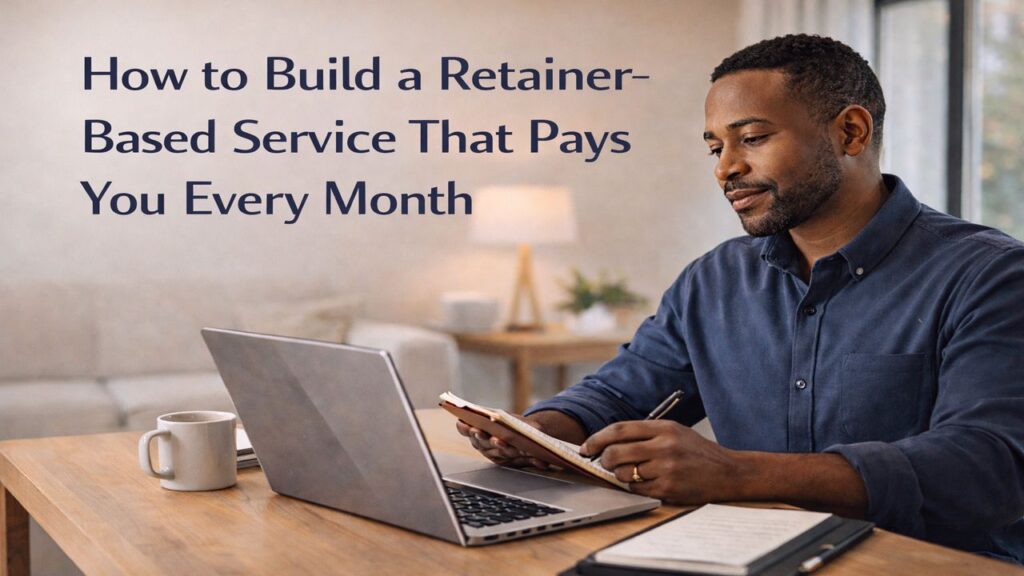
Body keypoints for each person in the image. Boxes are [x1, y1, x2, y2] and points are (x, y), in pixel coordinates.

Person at [456, 34, 1024, 562]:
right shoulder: (715, 280)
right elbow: (619, 393)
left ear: (851, 132)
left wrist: (736, 474)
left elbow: (989, 467)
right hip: (748, 557)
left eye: (752, 139)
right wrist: (538, 434)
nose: (727, 168)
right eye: (715, 148)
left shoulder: (991, 276)